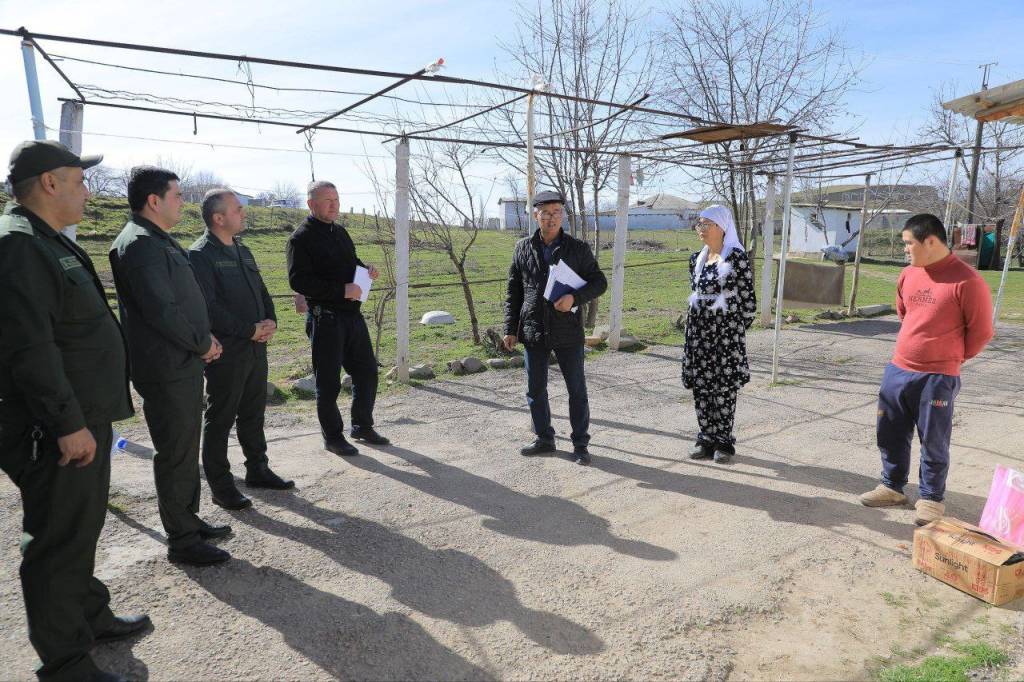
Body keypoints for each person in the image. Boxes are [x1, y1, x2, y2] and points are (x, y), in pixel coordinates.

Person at [0, 140, 150, 682]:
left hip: (82, 415)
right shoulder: (19, 245)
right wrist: (67, 424)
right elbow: (30, 348)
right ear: (49, 183)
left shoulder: (44, 239)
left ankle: (90, 614)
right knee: (58, 539)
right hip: (55, 425)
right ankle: (64, 663)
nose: (87, 191)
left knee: (81, 524)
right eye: (79, 180)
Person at [109, 166, 231, 566]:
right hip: (166, 366)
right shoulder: (140, 244)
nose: (183, 202)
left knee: (184, 447)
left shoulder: (156, 239)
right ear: (154, 200)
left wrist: (201, 341)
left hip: (182, 360)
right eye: (177, 195)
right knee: (175, 451)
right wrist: (202, 343)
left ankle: (188, 520)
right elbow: (162, 310)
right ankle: (182, 539)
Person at [860, 213, 993, 526]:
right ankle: (892, 486)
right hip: (898, 369)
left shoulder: (968, 281)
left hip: (938, 377)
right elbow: (904, 313)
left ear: (930, 241)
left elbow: (981, 332)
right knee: (889, 431)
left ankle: (931, 498)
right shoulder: (908, 275)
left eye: (909, 243)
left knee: (934, 440)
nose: (905, 249)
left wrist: (952, 358)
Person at [189, 189, 294, 511]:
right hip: (227, 351)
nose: (244, 213)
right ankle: (221, 486)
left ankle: (258, 469)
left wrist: (271, 321)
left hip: (255, 348)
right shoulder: (200, 255)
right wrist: (249, 330)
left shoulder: (243, 250)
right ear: (218, 218)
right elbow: (208, 307)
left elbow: (261, 291)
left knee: (253, 412)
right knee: (220, 418)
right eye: (237, 209)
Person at [503, 190, 607, 465]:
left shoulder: (577, 248)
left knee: (576, 390)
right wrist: (510, 328)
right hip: (534, 328)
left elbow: (599, 282)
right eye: (546, 213)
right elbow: (514, 291)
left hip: (567, 329)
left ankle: (581, 445)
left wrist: (575, 298)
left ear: (563, 215)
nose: (552, 218)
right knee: (535, 389)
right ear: (535, 215)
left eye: (557, 213)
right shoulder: (523, 248)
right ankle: (544, 439)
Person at [287, 180, 389, 456]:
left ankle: (362, 426)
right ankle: (333, 437)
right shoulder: (300, 238)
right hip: (326, 319)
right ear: (311, 204)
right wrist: (341, 290)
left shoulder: (340, 232)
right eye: (328, 200)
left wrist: (366, 270)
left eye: (337, 200)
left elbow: (350, 263)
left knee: (367, 371)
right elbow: (299, 281)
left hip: (352, 316)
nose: (335, 205)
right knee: (329, 382)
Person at [683, 205, 757, 464]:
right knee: (702, 384)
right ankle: (705, 438)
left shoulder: (736, 258)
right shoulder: (696, 259)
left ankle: (723, 441)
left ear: (721, 227)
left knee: (723, 386)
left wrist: (732, 330)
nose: (701, 228)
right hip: (698, 333)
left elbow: (748, 302)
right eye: (699, 224)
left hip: (725, 335)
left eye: (706, 224)